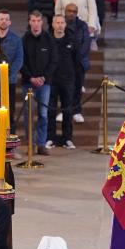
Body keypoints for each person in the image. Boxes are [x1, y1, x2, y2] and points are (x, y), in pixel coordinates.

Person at [22, 10, 57, 156]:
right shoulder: (24, 39)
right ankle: (31, 143)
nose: (36, 24)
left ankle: (41, 144)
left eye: (38, 21)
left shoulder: (49, 39)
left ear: (42, 22)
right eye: (33, 21)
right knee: (28, 114)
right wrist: (30, 77)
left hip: (45, 83)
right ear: (29, 22)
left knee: (43, 114)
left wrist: (44, 77)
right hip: (28, 83)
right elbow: (21, 61)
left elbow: (53, 60)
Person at [48, 14, 78, 148]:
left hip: (68, 80)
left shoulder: (72, 40)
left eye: (62, 22)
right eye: (57, 22)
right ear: (53, 24)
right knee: (50, 110)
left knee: (67, 110)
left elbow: (77, 60)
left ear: (65, 25)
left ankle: (67, 139)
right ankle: (50, 138)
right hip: (52, 80)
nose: (59, 25)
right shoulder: (48, 40)